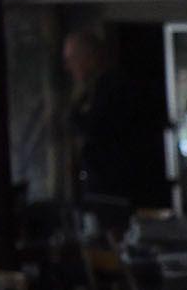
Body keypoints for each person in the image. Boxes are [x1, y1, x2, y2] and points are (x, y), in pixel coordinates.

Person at [63, 30, 165, 212]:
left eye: (73, 59)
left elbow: (96, 129)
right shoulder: (91, 91)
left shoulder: (113, 87)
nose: (70, 66)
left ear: (88, 57)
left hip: (117, 190)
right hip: (101, 189)